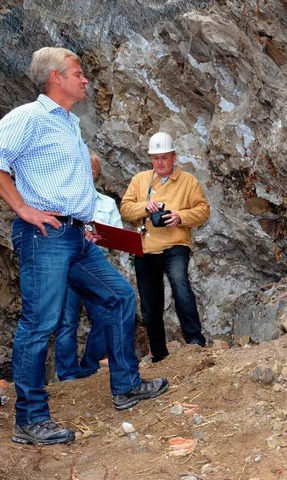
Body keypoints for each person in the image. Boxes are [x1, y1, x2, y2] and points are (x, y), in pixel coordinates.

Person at [0, 47, 169, 446]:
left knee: (118, 297)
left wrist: (84, 222)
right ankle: (29, 419)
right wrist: (22, 208)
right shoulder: (28, 117)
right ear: (56, 77)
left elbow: (70, 185)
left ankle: (125, 387)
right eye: (78, 73)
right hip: (45, 236)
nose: (85, 79)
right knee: (40, 324)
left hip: (76, 234)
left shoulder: (69, 125)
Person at [120, 132, 210, 363]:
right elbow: (126, 210)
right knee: (150, 301)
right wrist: (144, 208)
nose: (160, 163)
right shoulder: (140, 180)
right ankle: (159, 353)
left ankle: (195, 340)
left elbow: (203, 210)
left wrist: (180, 216)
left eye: (165, 158)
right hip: (147, 246)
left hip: (175, 243)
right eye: (156, 158)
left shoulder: (188, 181)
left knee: (180, 282)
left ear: (174, 157)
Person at [54, 152, 123, 380]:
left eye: (91, 170)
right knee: (66, 323)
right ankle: (67, 375)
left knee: (104, 317)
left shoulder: (108, 204)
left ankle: (89, 367)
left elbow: (118, 240)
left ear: (96, 174)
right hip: (70, 268)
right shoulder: (63, 201)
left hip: (96, 269)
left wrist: (101, 238)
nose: (86, 173)